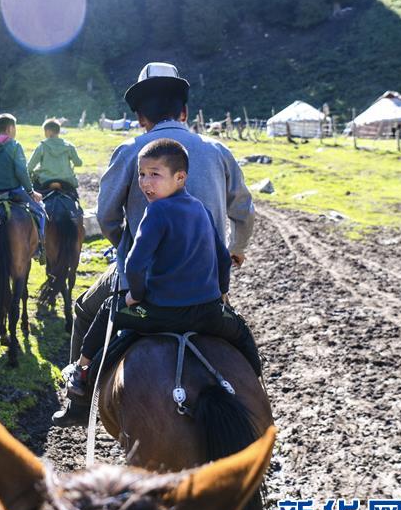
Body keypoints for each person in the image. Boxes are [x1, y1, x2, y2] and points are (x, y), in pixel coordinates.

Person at [54, 62, 255, 424]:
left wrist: (128, 248)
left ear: (141, 117)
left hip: (146, 282)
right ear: (185, 111)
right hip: (205, 282)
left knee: (86, 310)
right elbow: (244, 211)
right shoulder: (218, 150)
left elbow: (107, 217)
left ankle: (79, 400)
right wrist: (234, 250)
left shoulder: (132, 151)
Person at [64, 139, 261, 398]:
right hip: (208, 313)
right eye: (142, 174)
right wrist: (222, 293)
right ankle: (256, 384)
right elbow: (223, 258)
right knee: (243, 333)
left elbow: (135, 263)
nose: (145, 183)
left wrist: (135, 293)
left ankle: (82, 370)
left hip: (159, 313)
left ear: (180, 177)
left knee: (106, 310)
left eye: (155, 175)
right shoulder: (200, 209)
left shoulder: (156, 211)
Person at [0, 113, 46, 259]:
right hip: (15, 191)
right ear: (10, 128)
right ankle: (39, 248)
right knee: (41, 213)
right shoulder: (14, 146)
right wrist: (31, 191)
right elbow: (21, 171)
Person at [27, 118, 83, 198]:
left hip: (45, 181)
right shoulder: (69, 146)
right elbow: (78, 163)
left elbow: (29, 167)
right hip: (66, 181)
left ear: (48, 131)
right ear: (58, 131)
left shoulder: (42, 146)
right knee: (75, 197)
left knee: (34, 197)